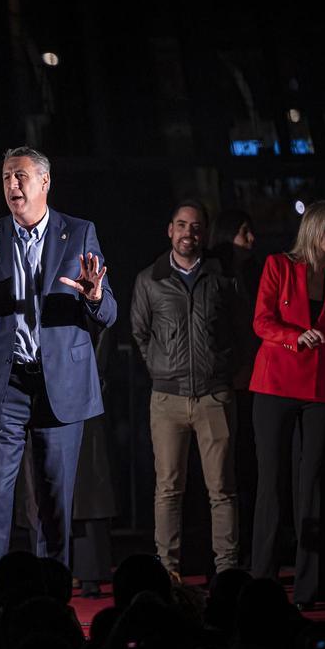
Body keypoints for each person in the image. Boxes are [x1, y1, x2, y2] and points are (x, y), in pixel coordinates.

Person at [0, 146, 116, 610]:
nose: (12, 186)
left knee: (53, 505)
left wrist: (93, 296)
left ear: (45, 182)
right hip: (5, 386)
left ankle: (53, 604)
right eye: (6, 176)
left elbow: (108, 312)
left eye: (21, 176)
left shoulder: (80, 232)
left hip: (58, 385)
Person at [249, 200, 325, 609]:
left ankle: (311, 590)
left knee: (312, 484)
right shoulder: (279, 265)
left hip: (319, 390)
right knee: (271, 484)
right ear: (312, 229)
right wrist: (295, 336)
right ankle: (262, 582)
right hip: (275, 384)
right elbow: (261, 322)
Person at [131, 200, 243, 579]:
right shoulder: (150, 279)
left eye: (195, 228)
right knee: (168, 490)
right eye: (181, 225)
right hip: (167, 400)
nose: (188, 234)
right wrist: (163, 372)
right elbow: (140, 334)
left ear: (205, 233)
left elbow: (238, 328)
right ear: (169, 230)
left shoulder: (221, 276)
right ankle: (168, 573)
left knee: (222, 490)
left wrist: (224, 371)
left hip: (214, 396)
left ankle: (226, 571)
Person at [209, 209, 262, 566]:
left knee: (242, 467)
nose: (251, 239)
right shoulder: (218, 273)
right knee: (225, 470)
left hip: (247, 377)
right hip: (227, 379)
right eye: (243, 231)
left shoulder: (249, 274)